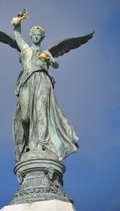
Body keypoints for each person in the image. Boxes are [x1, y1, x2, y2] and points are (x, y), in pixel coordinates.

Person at [11, 11, 79, 162]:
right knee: (25, 116)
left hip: (42, 82)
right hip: (27, 83)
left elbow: (56, 65)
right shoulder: (26, 49)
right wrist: (18, 22)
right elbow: (17, 35)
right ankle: (28, 143)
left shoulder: (46, 52)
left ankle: (41, 143)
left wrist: (50, 58)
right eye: (34, 34)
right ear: (31, 36)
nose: (36, 36)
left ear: (41, 37)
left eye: (38, 35)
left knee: (41, 112)